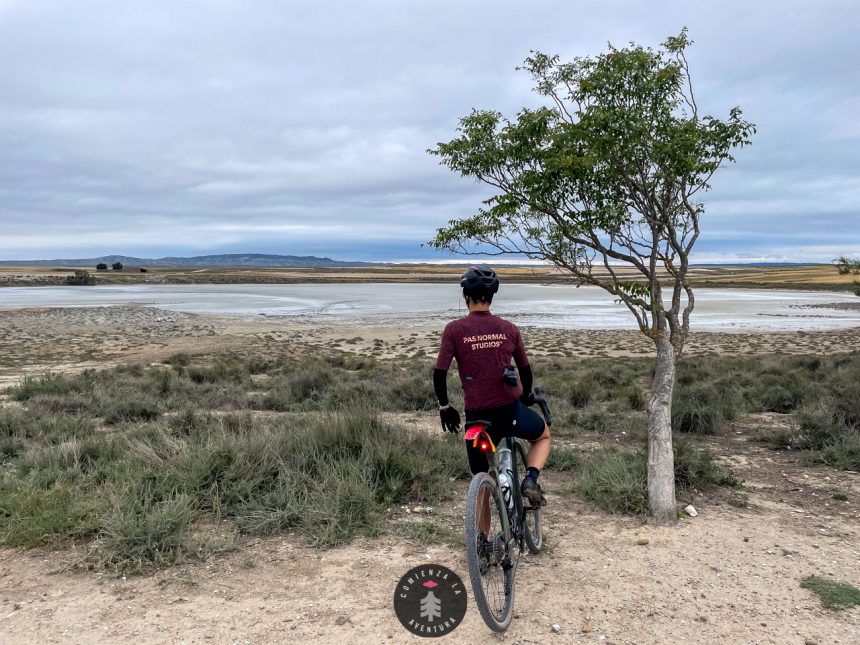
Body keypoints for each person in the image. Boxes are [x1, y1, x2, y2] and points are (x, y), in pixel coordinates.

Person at [433, 265, 551, 505]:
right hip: (509, 412)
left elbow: (439, 373)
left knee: (481, 481)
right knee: (542, 437)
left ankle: (481, 538)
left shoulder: (454, 330)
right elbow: (526, 371)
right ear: (492, 295)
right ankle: (530, 479)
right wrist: (526, 395)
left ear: (466, 296)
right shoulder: (508, 329)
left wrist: (445, 406)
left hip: (477, 418)